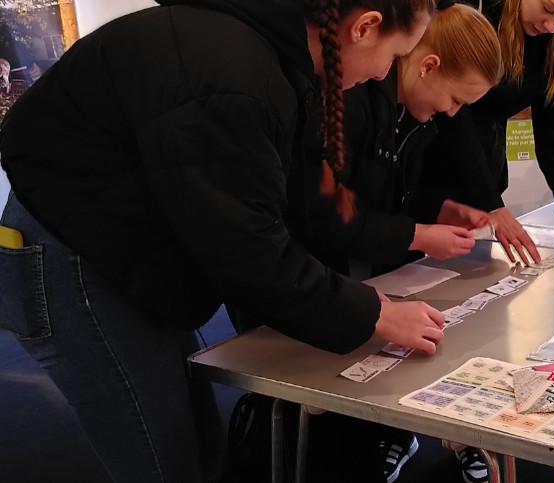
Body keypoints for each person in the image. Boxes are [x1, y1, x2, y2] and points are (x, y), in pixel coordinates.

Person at [0, 1, 444, 482]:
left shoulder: (275, 59)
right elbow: (249, 250)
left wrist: (369, 294)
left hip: (125, 247)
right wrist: (372, 312)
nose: (383, 75)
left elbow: (300, 205)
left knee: (198, 444)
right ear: (365, 27)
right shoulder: (230, 75)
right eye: (394, 55)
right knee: (168, 460)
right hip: (75, 256)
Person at [288, 1, 502, 280]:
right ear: (429, 66)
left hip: (354, 275)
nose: (452, 113)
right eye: (455, 100)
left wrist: (440, 210)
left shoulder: (416, 119)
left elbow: (386, 196)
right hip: (311, 275)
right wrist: (418, 236)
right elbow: (325, 219)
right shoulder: (352, 99)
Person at [416, 0, 554, 272]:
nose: (552, 26)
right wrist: (491, 203)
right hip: (420, 175)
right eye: (549, 9)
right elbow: (453, 119)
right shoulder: (474, 11)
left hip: (482, 184)